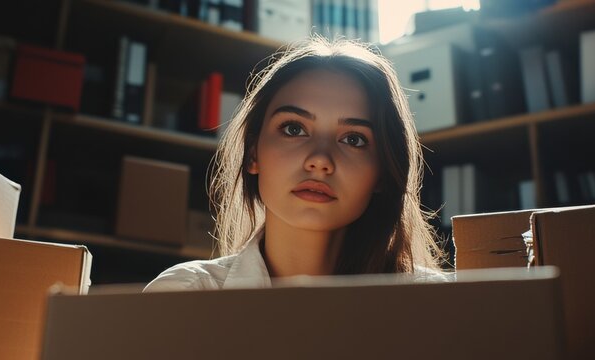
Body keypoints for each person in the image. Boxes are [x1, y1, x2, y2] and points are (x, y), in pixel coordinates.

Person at [144, 36, 451, 291]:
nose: (320, 160)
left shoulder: (441, 301)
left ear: (383, 172)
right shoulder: (185, 294)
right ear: (253, 154)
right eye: (294, 129)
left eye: (354, 139)